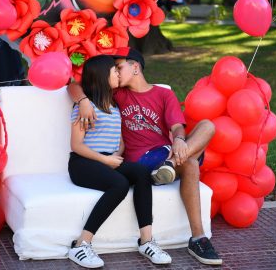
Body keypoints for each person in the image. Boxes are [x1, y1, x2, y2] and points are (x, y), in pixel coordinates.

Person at [68, 48, 222, 266]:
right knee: (189, 163)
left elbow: (177, 126)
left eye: (119, 68)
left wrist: (179, 140)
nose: (118, 74)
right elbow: (75, 85)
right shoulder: (116, 94)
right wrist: (83, 101)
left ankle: (192, 234)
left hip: (166, 155)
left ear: (135, 67)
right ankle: (198, 238)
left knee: (206, 127)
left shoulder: (163, 94)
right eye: (115, 71)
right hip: (140, 161)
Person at [67, 55, 172, 268]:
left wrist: (118, 154)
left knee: (141, 173)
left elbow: (120, 140)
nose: (117, 73)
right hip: (83, 162)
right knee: (120, 184)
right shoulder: (85, 107)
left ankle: (146, 241)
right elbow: (76, 146)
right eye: (114, 70)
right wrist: (105, 160)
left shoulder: (114, 106)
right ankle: (81, 244)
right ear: (102, 76)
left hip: (108, 158)